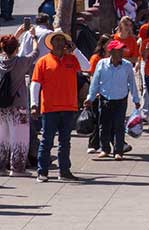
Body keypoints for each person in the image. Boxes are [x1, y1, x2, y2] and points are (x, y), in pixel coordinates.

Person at [30, 30, 81, 182]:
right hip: (50, 108)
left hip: (68, 107)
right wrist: (34, 104)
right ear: (51, 44)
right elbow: (35, 84)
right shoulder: (43, 61)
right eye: (56, 40)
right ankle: (42, 172)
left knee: (65, 142)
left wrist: (76, 50)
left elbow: (86, 66)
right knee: (47, 141)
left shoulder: (72, 59)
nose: (59, 43)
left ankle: (64, 172)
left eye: (61, 41)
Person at [84, 39, 140, 160]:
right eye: (118, 50)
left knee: (119, 126)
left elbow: (132, 83)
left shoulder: (127, 65)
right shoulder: (101, 64)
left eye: (121, 50)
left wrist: (136, 99)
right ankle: (105, 149)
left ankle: (118, 150)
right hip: (105, 99)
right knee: (104, 125)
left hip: (121, 99)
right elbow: (95, 83)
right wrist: (90, 98)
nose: (121, 53)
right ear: (111, 51)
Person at [0, 35, 37, 175]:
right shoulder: (21, 62)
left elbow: (6, 49)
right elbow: (35, 52)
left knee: (2, 137)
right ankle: (17, 168)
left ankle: (0, 167)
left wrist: (18, 32)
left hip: (1, 107)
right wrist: (33, 38)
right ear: (17, 48)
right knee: (19, 137)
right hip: (18, 106)